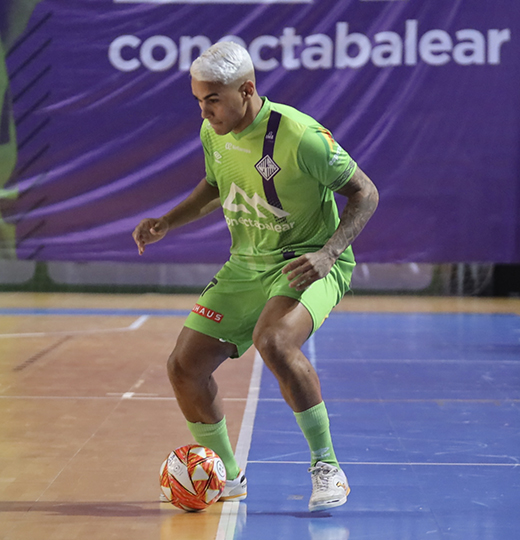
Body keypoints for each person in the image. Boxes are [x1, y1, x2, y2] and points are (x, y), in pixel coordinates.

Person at [133, 42, 378, 512]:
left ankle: (327, 466)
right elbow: (215, 184)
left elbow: (365, 193)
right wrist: (168, 220)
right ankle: (228, 474)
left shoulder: (300, 135)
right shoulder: (214, 132)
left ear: (246, 89)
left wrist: (329, 253)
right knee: (183, 367)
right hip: (247, 263)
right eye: (199, 100)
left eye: (213, 99)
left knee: (274, 342)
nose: (205, 111)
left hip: (307, 258)